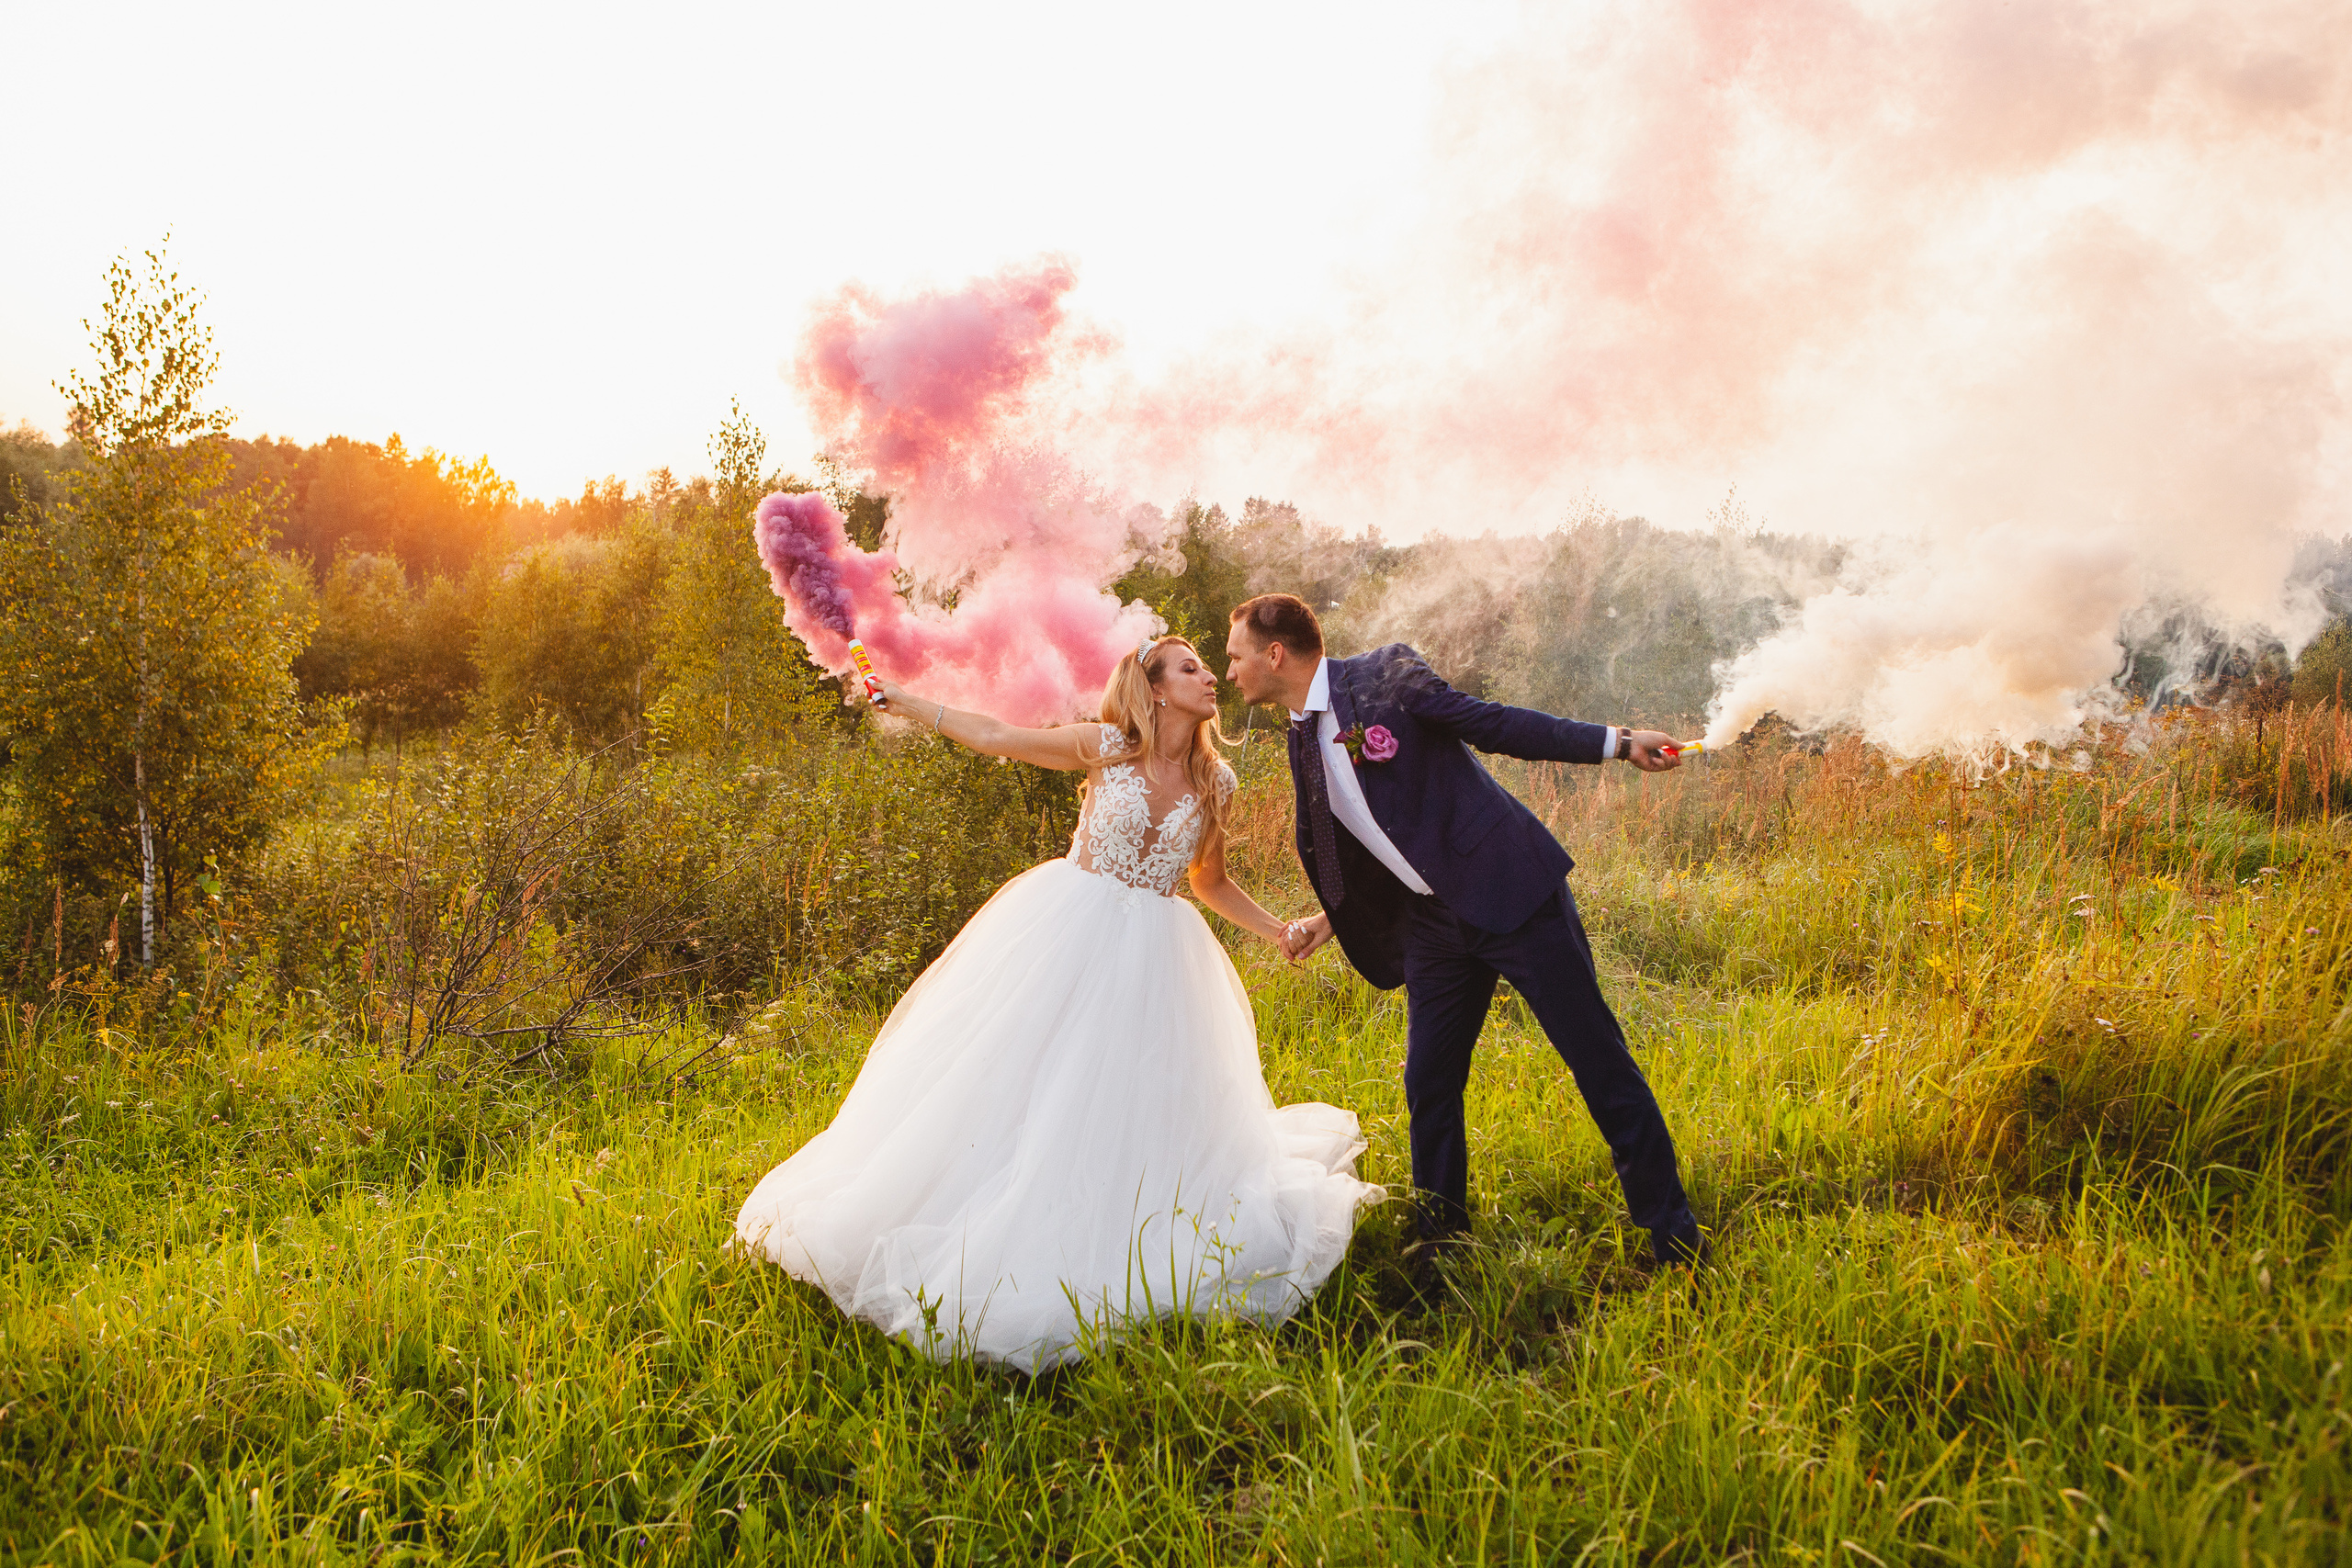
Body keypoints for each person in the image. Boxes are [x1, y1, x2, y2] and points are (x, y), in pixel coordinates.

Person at [732, 635, 1382, 1372]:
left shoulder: (1217, 780)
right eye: (1192, 667)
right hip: (1066, 932)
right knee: (1018, 1090)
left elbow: (1208, 879)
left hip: (1159, 959)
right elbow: (998, 736)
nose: (1211, 677)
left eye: (1209, 665)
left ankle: (1119, 1235)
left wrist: (1276, 930)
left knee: (1138, 1108)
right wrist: (905, 701)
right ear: (1156, 688)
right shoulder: (1106, 746)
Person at [1222, 593, 1704, 1268]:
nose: (1231, 670)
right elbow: (1369, 841)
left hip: (1513, 894)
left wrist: (1617, 743)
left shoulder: (1385, 673)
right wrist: (1330, 922)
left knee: (1599, 1061)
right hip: (1432, 926)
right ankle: (1440, 1245)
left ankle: (1674, 1237)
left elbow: (1495, 723)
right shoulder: (1300, 735)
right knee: (1429, 1083)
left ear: (1275, 653)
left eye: (1235, 654)